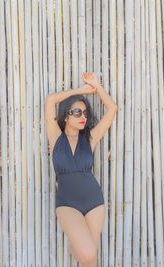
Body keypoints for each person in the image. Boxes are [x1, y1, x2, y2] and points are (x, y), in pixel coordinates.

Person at [44, 72, 117, 267]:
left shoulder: (90, 138)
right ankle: (75, 248)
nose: (83, 117)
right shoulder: (56, 138)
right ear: (66, 116)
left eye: (85, 113)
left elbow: (112, 109)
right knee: (87, 252)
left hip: (94, 202)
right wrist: (80, 91)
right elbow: (51, 100)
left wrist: (97, 87)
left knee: (89, 259)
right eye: (77, 112)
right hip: (67, 203)